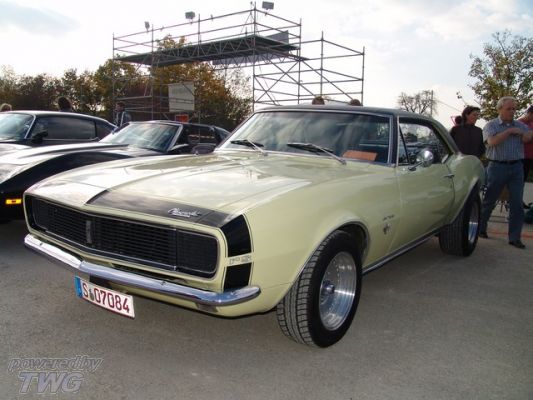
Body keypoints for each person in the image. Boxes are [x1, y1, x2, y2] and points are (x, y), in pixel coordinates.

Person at [478, 96, 533, 249]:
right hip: (497, 167)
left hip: (516, 167)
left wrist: (526, 134)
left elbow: (527, 138)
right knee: (490, 200)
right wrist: (509, 132)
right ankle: (480, 227)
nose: (512, 111)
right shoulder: (491, 125)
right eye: (509, 109)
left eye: (514, 109)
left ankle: (514, 237)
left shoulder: (520, 125)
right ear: (500, 109)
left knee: (517, 203)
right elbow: (492, 142)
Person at [518, 105, 533, 209]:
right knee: (519, 181)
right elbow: (524, 139)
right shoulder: (519, 123)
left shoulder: (531, 124)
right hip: (522, 156)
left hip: (530, 156)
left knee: (522, 180)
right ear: (530, 113)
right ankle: (517, 201)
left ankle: (519, 200)